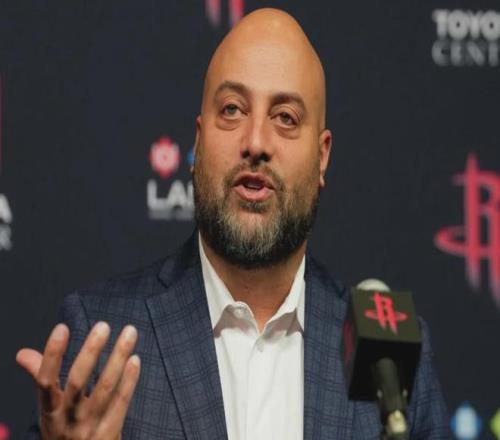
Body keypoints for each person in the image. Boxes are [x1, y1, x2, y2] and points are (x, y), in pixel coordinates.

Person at [16, 8, 450, 440]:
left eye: (285, 117)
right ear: (199, 141)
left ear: (322, 157)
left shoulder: (389, 363)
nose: (256, 142)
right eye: (232, 109)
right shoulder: (101, 335)